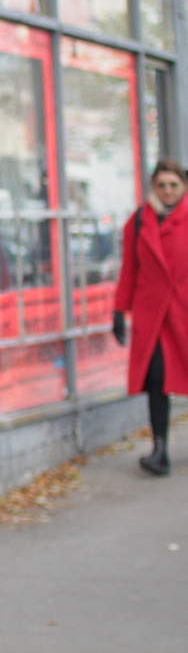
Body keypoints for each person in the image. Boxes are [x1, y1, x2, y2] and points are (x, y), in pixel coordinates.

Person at [113, 159, 188, 476]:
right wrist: (119, 310)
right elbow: (130, 268)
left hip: (184, 310)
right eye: (162, 185)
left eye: (174, 184)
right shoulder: (139, 223)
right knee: (156, 379)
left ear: (183, 187)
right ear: (152, 187)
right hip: (153, 314)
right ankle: (159, 450)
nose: (168, 191)